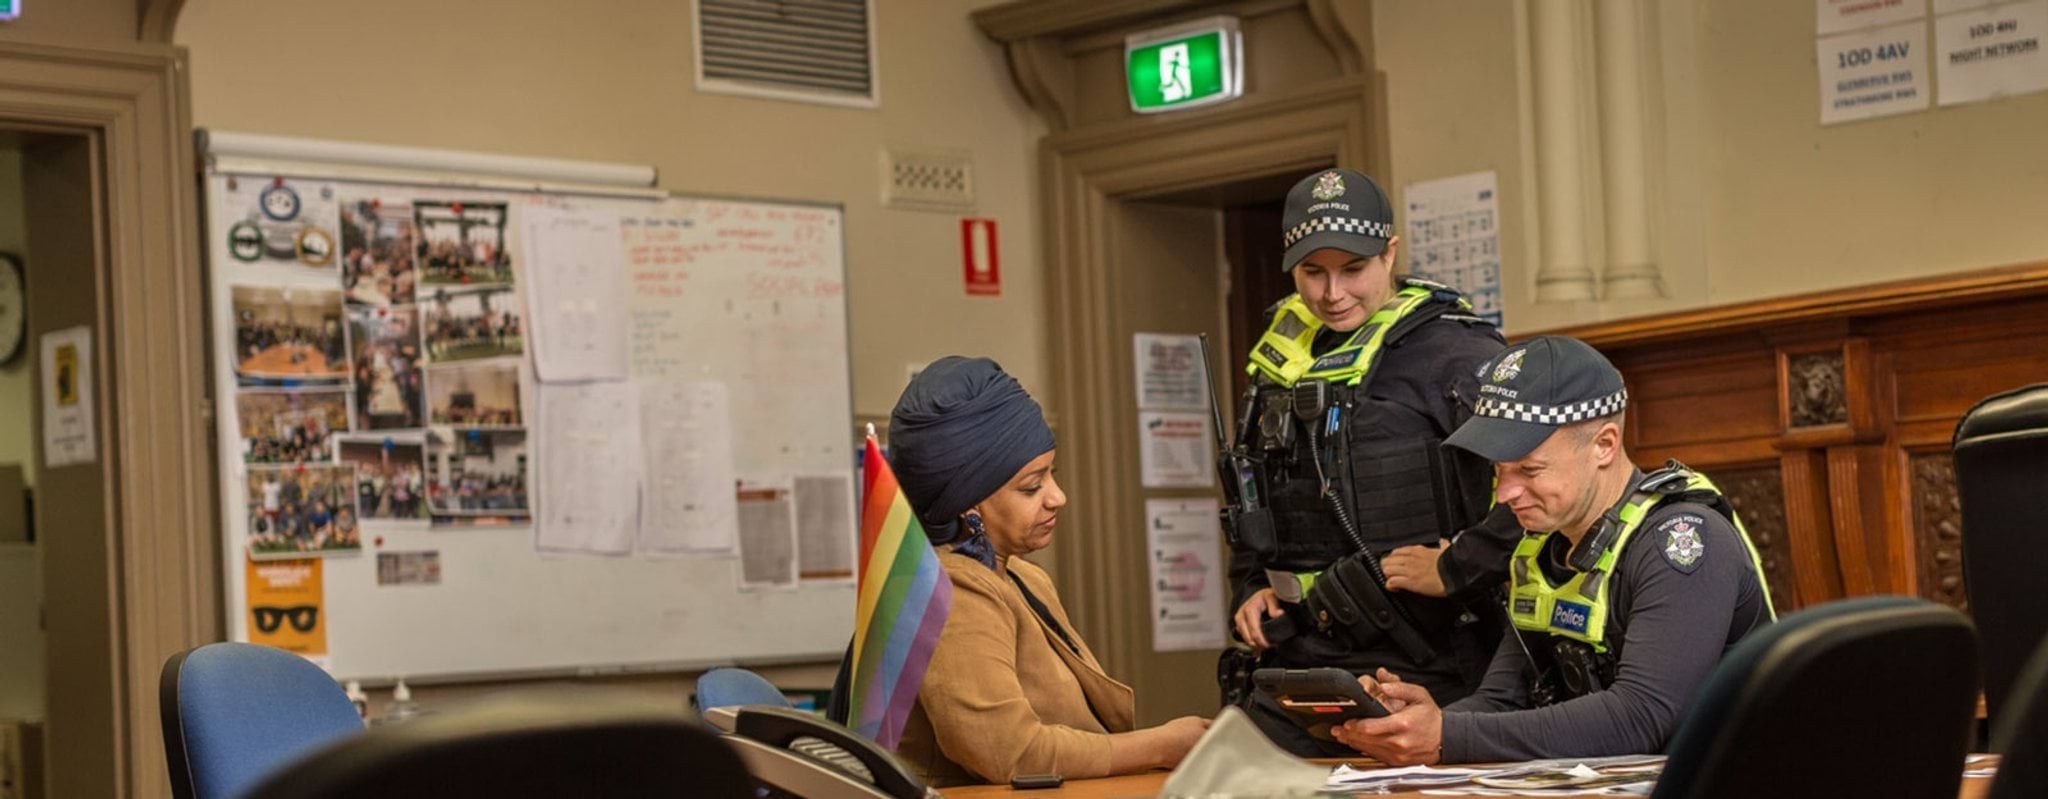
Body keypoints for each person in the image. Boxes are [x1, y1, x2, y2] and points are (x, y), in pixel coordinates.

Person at [1329, 335, 1776, 764]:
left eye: (1530, 470)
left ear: (1604, 445)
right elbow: (1502, 700)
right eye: (1499, 471)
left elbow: (1642, 717)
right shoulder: (1539, 546)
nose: (1504, 494)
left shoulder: (1680, 540)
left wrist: (1448, 736)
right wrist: (1418, 724)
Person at [1225, 168, 1524, 755]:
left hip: (1431, 660)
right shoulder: (1278, 359)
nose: (1332, 294)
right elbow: (1250, 489)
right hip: (1302, 658)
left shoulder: (1456, 350)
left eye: (1353, 270)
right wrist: (1249, 585)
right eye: (1313, 273)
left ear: (1390, 254)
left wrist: (1460, 565)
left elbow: (1548, 483)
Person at [887, 356, 1210, 787]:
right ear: (965, 503)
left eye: (1051, 475)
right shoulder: (954, 590)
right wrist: (1163, 744)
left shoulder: (1022, 574)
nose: (1058, 497)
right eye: (1031, 486)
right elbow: (1010, 753)